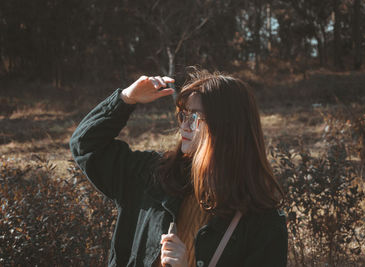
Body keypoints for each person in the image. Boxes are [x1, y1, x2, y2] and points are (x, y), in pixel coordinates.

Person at [70, 69, 288, 267]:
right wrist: (126, 99)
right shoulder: (152, 174)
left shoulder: (263, 223)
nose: (184, 124)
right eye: (183, 114)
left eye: (194, 117)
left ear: (228, 127)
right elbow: (86, 146)